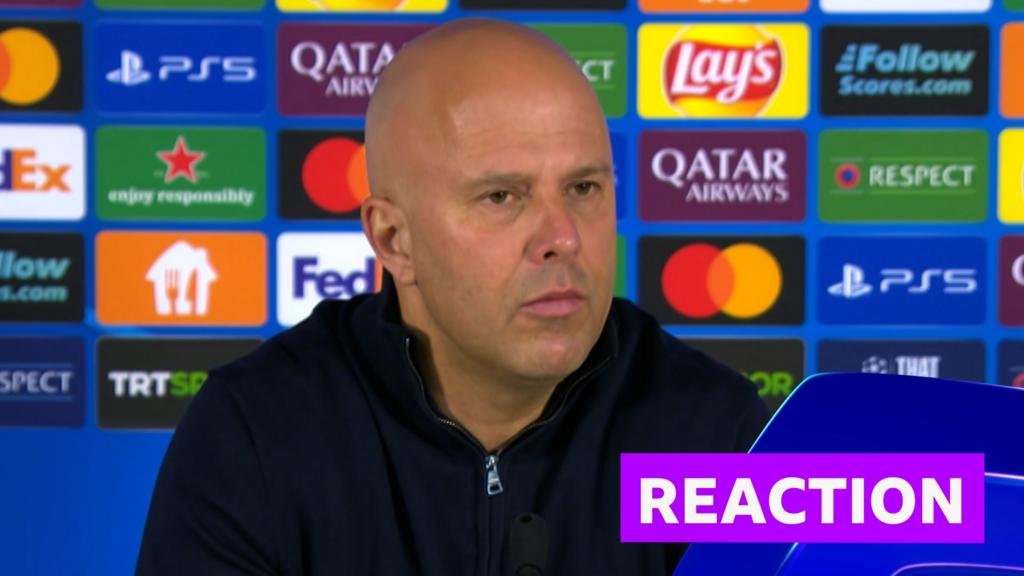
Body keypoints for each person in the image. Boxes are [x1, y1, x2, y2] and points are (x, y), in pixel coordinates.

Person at [135, 18, 769, 576]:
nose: (563, 238)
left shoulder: (716, 434)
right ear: (394, 240)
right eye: (501, 197)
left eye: (583, 188)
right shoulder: (256, 434)